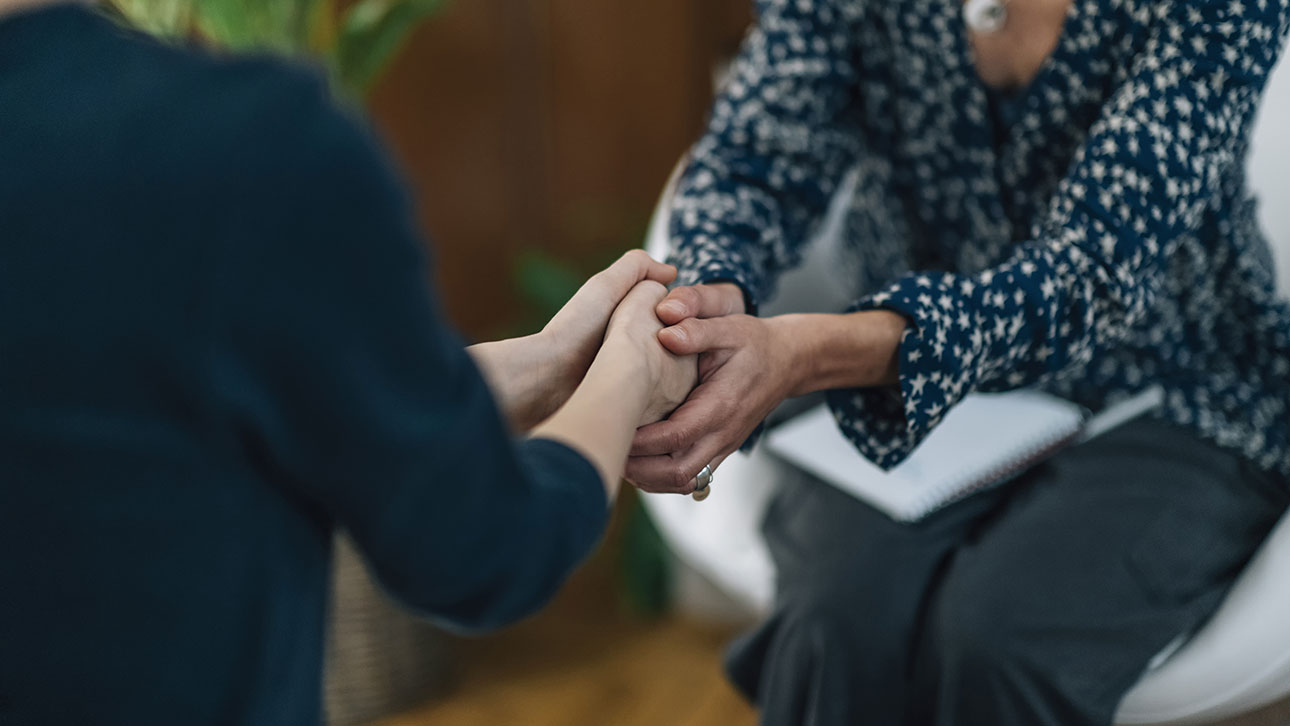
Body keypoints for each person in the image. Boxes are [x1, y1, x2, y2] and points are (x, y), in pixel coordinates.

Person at [0, 2, 695, 724]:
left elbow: (118, 424)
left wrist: (547, 361)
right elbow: (484, 549)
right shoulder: (240, 144)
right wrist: (629, 373)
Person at [627, 0, 1290, 723]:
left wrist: (806, 354)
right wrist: (713, 302)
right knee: (837, 621)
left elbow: (1092, 272)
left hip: (1179, 393)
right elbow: (757, 162)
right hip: (910, 398)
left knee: (1002, 637)